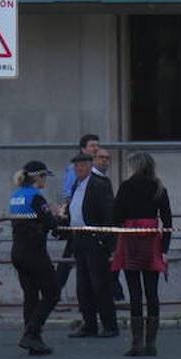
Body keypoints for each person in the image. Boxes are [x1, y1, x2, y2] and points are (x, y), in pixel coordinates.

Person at [111, 151, 173, 356]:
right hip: (151, 238)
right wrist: (164, 249)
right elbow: (168, 221)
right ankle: (151, 343)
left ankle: (136, 343)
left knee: (134, 291)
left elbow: (116, 214)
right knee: (151, 291)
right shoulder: (158, 187)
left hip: (130, 238)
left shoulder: (126, 186)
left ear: (134, 166)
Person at [8, 161, 64, 355]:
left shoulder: (15, 196)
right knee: (52, 293)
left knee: (30, 296)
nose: (45, 181)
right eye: (44, 177)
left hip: (18, 251)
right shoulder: (36, 198)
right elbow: (50, 224)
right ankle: (31, 333)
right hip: (34, 251)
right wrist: (59, 215)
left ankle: (34, 340)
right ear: (38, 177)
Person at [65, 151, 118, 338]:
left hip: (95, 237)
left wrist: (110, 244)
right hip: (79, 237)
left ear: (90, 165)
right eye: (76, 166)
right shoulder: (76, 185)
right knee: (83, 285)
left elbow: (108, 213)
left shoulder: (99, 184)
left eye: (83, 165)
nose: (79, 168)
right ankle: (89, 323)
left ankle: (109, 324)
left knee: (100, 284)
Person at [55, 134, 100, 295]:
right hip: (79, 221)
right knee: (72, 256)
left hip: (89, 222)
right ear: (83, 149)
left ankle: (56, 290)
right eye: (92, 145)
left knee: (72, 257)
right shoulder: (75, 170)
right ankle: (55, 290)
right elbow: (68, 192)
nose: (95, 148)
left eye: (97, 145)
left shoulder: (97, 170)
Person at [94, 148, 127, 303]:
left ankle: (116, 296)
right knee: (109, 267)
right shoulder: (95, 180)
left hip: (109, 229)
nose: (105, 161)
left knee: (112, 266)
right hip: (103, 231)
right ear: (94, 159)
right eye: (101, 157)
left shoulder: (103, 180)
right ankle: (114, 297)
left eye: (107, 158)